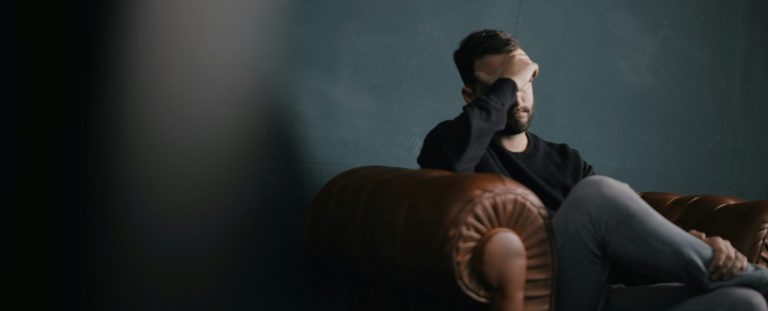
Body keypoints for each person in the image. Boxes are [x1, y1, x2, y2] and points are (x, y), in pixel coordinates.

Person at [418, 29, 768, 311]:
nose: (519, 97)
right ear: (471, 95)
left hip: (595, 298)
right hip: (539, 297)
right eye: (504, 86)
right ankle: (755, 277)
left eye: (526, 82)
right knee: (596, 193)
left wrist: (693, 242)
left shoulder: (565, 159)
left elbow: (629, 233)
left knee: (743, 303)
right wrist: (510, 81)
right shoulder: (451, 143)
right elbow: (449, 165)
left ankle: (739, 279)